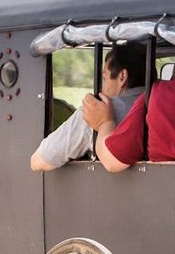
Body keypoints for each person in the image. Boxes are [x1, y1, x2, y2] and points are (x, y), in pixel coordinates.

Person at [30, 43, 150, 171]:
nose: (102, 89)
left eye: (104, 78)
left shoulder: (99, 110)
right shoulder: (159, 107)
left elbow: (40, 160)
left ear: (122, 77)